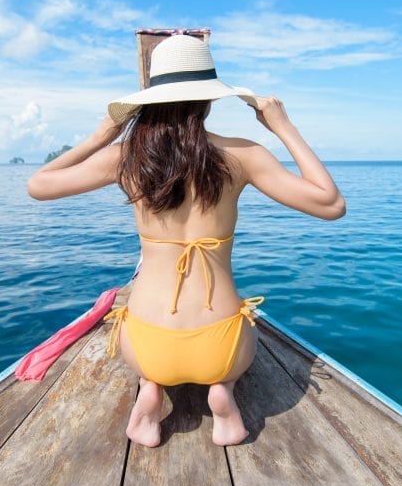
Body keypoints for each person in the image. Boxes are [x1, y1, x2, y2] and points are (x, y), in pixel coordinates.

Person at [27, 34, 345, 447]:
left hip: (148, 345)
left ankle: (152, 391)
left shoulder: (126, 158)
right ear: (208, 100)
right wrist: (284, 127)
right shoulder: (244, 155)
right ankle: (223, 393)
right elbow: (331, 204)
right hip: (221, 345)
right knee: (245, 332)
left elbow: (38, 185)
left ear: (152, 98)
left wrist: (99, 138)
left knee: (145, 349)